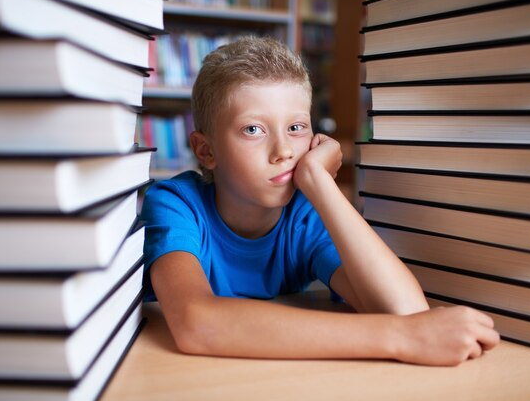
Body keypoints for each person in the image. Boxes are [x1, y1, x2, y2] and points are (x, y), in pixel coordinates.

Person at [141, 36, 499, 366]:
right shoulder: (176, 204)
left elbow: (407, 311)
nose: (283, 151)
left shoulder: (305, 215)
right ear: (206, 150)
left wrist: (320, 182)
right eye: (253, 129)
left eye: (296, 128)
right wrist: (399, 338)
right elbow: (196, 323)